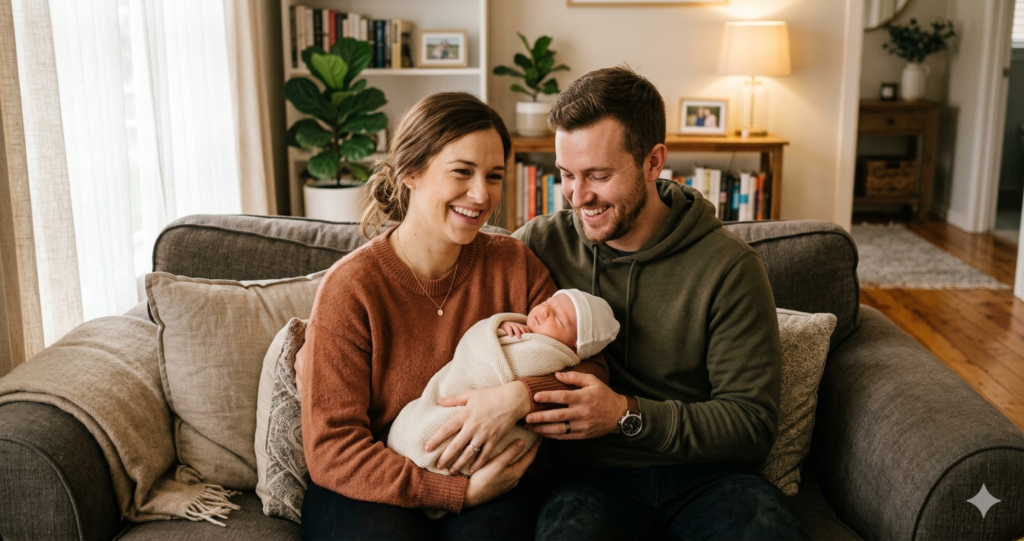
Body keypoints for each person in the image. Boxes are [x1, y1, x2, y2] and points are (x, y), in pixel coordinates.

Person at [511, 66, 811, 540]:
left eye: (599, 175)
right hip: (587, 483)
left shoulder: (729, 267)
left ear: (654, 163)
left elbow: (752, 425)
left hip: (710, 479)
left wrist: (624, 413)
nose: (578, 196)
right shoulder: (540, 244)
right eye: (567, 175)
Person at [294, 91, 608, 541]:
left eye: (494, 176)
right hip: (373, 481)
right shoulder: (352, 288)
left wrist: (521, 395)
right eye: (462, 172)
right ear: (410, 173)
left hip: (495, 474)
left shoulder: (512, 263)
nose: (481, 195)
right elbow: (332, 448)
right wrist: (456, 492)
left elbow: (590, 366)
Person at [388, 289, 620, 481]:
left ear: (574, 348)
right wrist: (499, 326)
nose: (545, 310)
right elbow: (474, 347)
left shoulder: (552, 356)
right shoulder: (518, 329)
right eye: (549, 301)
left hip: (497, 438)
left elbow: (589, 375)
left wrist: (519, 396)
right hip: (448, 396)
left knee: (431, 439)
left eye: (558, 319)